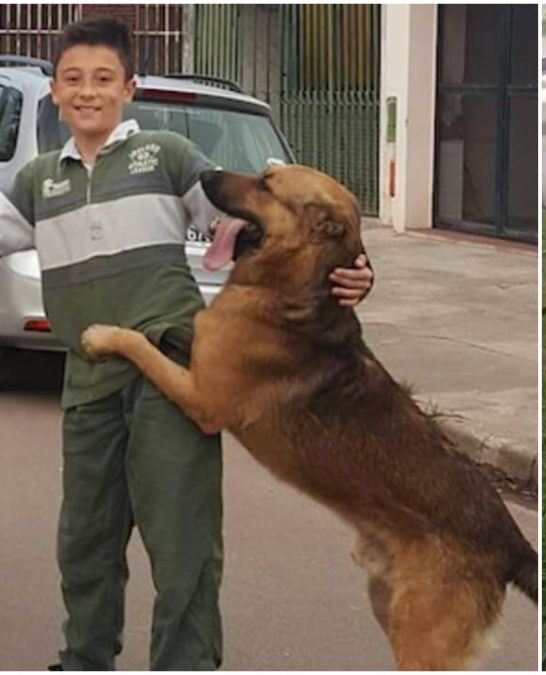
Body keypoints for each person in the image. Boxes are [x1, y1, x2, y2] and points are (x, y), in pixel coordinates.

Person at [0, 18, 372, 670]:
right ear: (55, 90)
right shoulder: (38, 182)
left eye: (104, 79)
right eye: (74, 79)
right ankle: (82, 660)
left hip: (169, 371)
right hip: (88, 385)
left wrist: (351, 265)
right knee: (84, 544)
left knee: (184, 549)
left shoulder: (164, 155)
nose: (88, 92)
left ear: (128, 88)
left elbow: (253, 215)